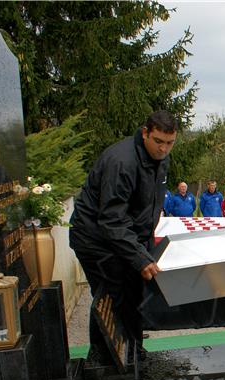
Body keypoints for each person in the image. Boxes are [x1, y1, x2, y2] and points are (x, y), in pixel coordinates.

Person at [69, 110, 177, 365]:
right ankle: (101, 362)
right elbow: (112, 219)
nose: (163, 149)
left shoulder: (160, 160)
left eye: (170, 143)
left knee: (134, 291)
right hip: (95, 239)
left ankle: (134, 352)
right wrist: (140, 257)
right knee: (112, 294)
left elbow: (146, 208)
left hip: (124, 236)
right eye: (158, 141)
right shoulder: (122, 162)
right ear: (145, 133)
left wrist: (144, 250)